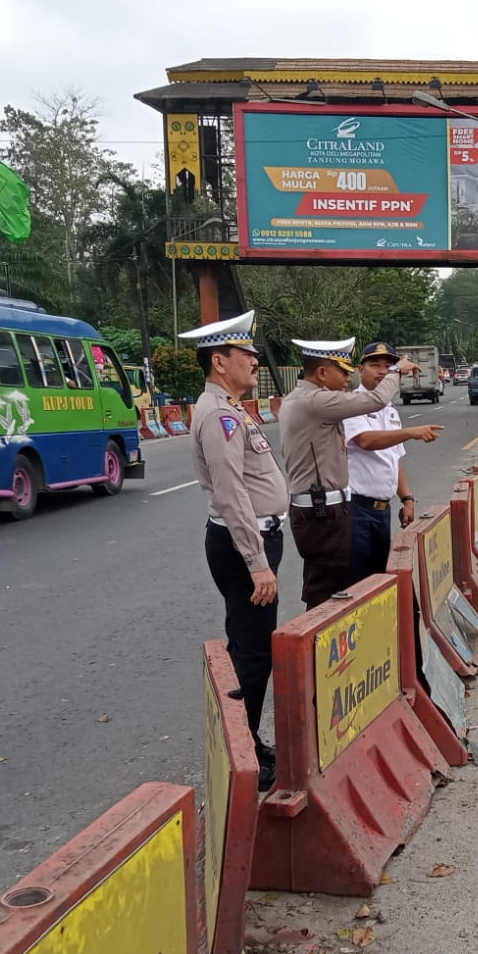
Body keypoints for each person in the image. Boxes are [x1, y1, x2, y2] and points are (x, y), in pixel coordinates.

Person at [179, 310, 287, 793]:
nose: (254, 361)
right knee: (254, 653)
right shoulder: (219, 414)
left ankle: (248, 743)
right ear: (220, 362)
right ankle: (243, 753)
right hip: (245, 545)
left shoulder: (231, 408)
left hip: (251, 540)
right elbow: (231, 493)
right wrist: (257, 562)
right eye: (246, 354)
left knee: (249, 646)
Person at [278, 337, 420, 610]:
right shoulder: (318, 401)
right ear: (322, 373)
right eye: (343, 371)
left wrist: (406, 497)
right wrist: (396, 372)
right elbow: (374, 408)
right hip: (327, 510)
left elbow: (394, 458)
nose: (347, 377)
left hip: (329, 508)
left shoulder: (307, 399)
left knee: (348, 586)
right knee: (335, 592)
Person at [343, 342, 445, 583]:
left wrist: (407, 498)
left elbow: (394, 458)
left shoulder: (389, 410)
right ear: (361, 369)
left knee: (380, 578)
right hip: (356, 509)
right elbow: (366, 440)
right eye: (375, 365)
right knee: (358, 581)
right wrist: (410, 432)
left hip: (382, 510)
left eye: (388, 366)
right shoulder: (352, 404)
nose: (382, 371)